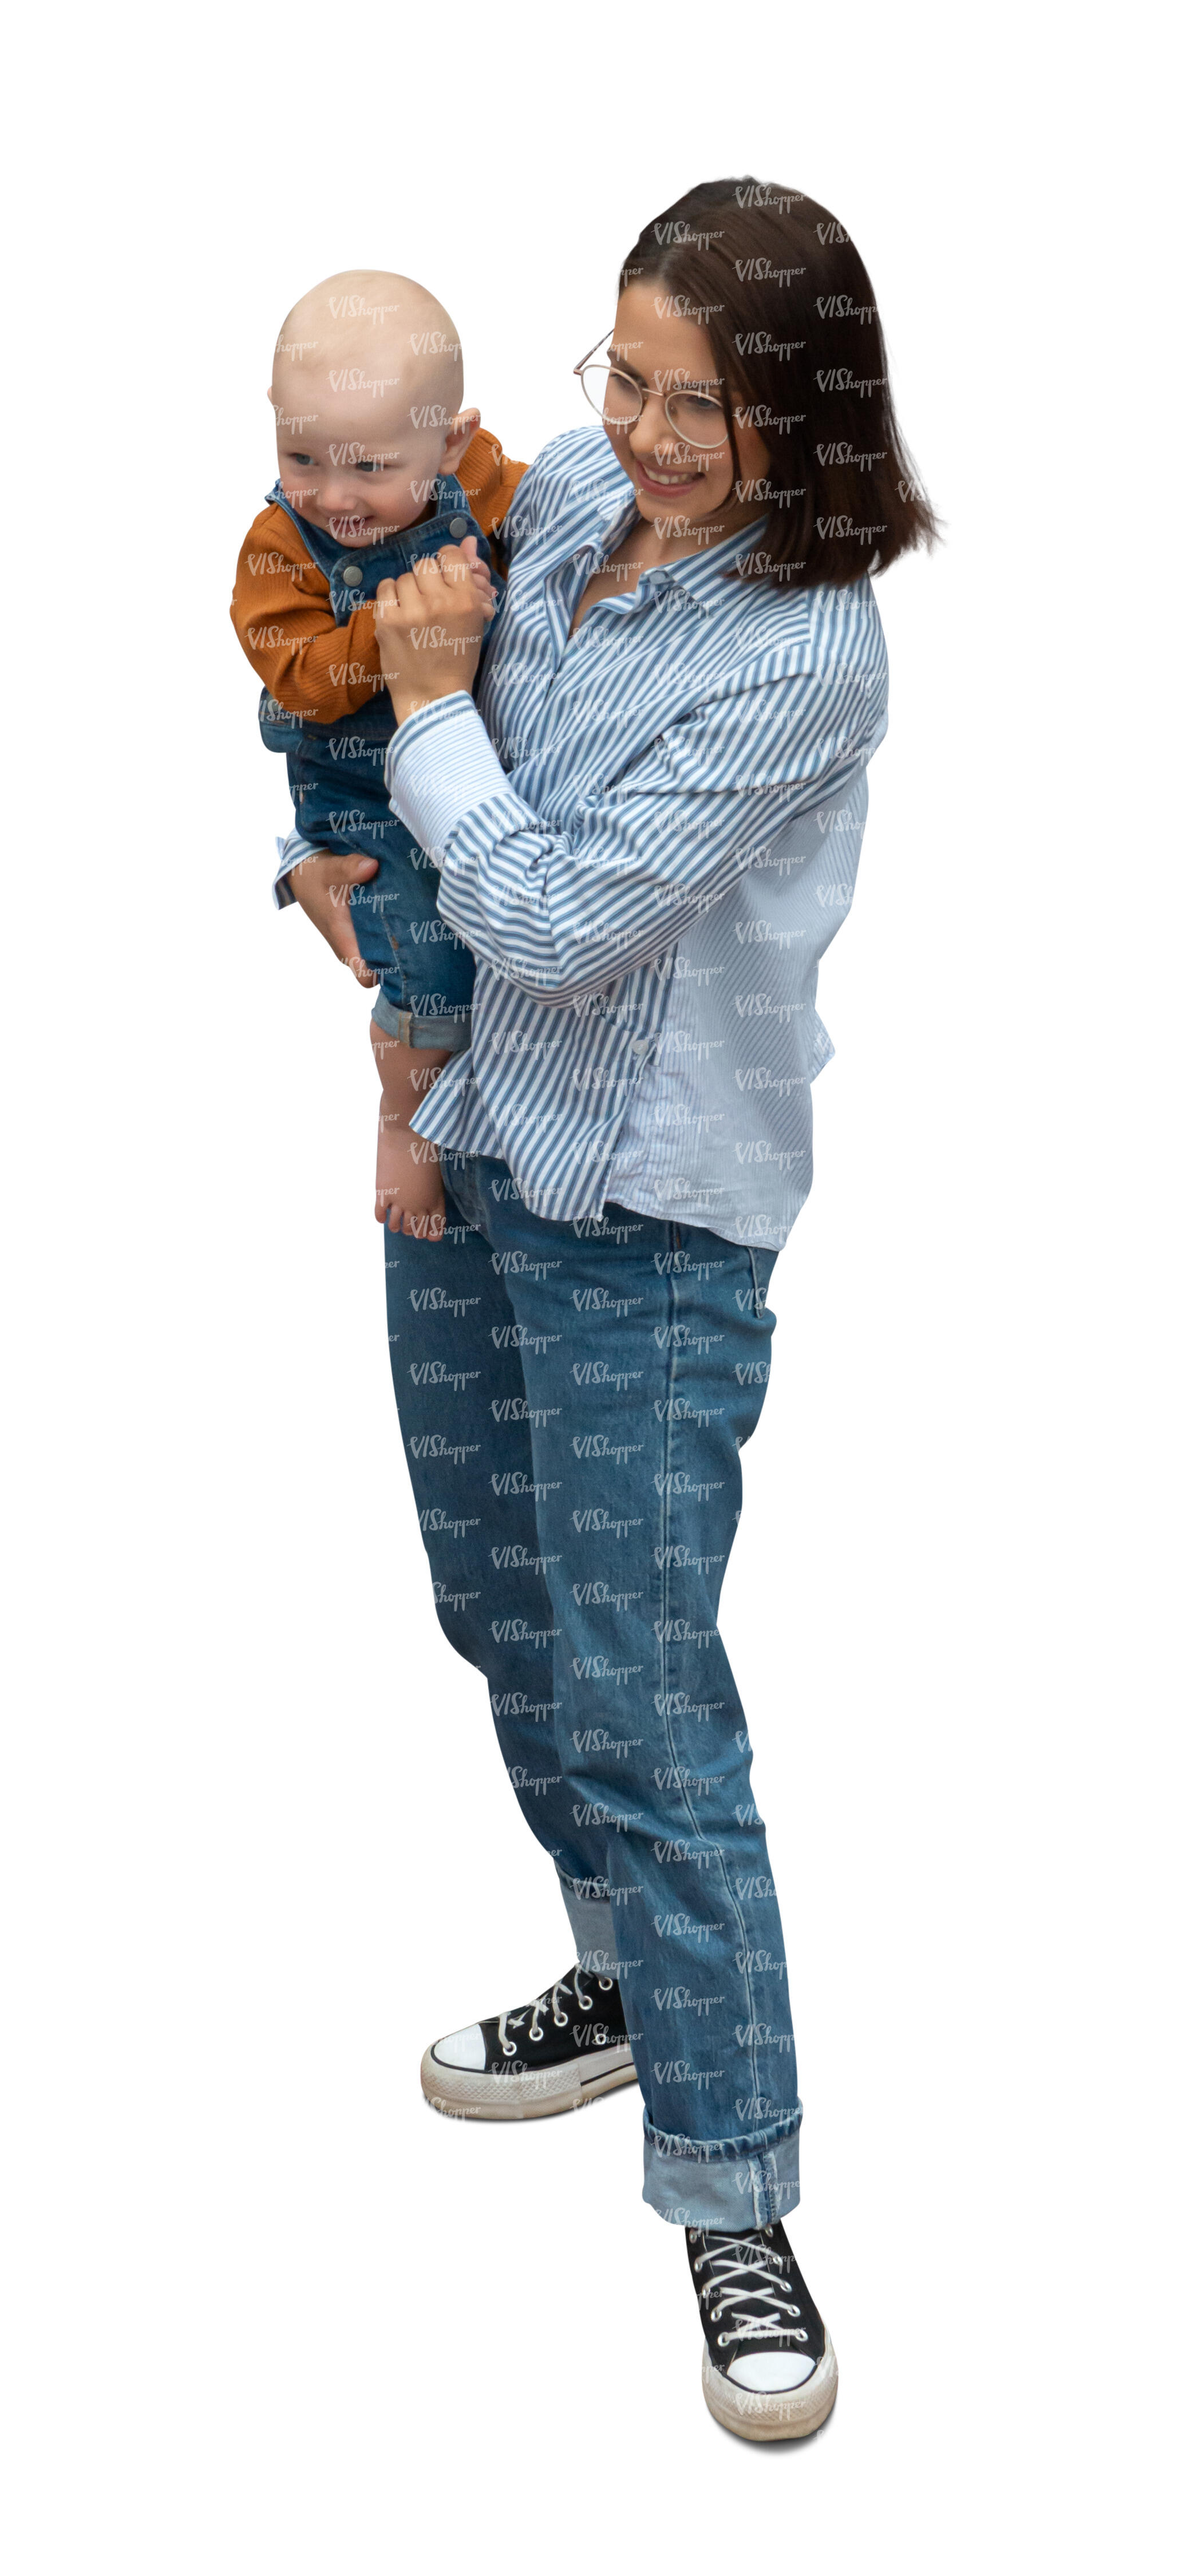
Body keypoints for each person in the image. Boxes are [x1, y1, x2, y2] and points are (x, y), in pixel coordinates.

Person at [284, 179, 935, 2441]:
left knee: (647, 1701)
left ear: (808, 414)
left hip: (648, 1218)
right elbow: (356, 629)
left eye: (702, 404)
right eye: (626, 378)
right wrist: (322, 829)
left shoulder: (812, 654)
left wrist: (425, 711)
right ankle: (627, 1978)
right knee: (502, 1613)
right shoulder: (562, 497)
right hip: (469, 1138)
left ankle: (736, 2191)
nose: (643, 437)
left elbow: (561, 921)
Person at [231, 269, 523, 1235]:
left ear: (453, 442)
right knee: (429, 963)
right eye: (302, 456)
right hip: (361, 796)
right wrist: (400, 631)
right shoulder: (280, 547)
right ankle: (407, 1124)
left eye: (368, 466)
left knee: (501, 955)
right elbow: (300, 681)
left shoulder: (486, 481)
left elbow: (550, 519)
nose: (333, 496)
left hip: (468, 767)